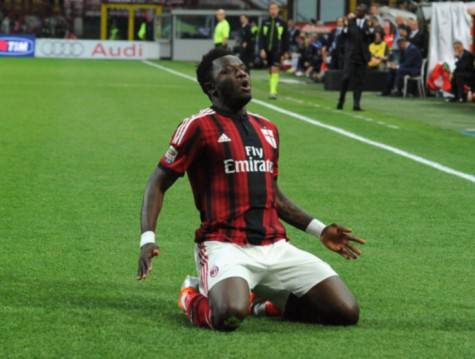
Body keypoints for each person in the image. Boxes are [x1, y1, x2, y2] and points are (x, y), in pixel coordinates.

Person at [136, 47, 366, 332]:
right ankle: (190, 296)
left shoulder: (267, 128)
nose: (241, 73)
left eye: (242, 68)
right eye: (228, 71)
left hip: (276, 247)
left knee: (345, 312)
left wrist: (320, 230)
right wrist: (147, 238)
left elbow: (275, 196)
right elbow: (157, 182)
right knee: (229, 315)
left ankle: (263, 303)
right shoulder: (197, 127)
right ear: (211, 88)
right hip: (225, 245)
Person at [337, 5, 374, 111]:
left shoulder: (368, 23)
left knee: (359, 81)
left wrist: (370, 31)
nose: (357, 12)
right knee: (346, 78)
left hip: (362, 56)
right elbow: (344, 36)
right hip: (351, 55)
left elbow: (371, 39)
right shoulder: (350, 22)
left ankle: (356, 104)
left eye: (360, 11)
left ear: (364, 13)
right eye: (357, 10)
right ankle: (341, 99)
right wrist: (344, 28)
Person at [259, 2, 289, 99]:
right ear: (269, 10)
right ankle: (271, 88)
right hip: (267, 50)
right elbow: (261, 37)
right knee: (270, 70)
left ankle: (273, 91)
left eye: (275, 8)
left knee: (274, 68)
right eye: (271, 9)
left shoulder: (282, 23)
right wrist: (261, 49)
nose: (273, 11)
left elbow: (286, 38)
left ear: (278, 10)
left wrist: (285, 51)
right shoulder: (265, 22)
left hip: (278, 50)